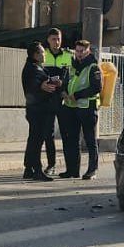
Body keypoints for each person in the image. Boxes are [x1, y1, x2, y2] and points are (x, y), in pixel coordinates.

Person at [61, 39, 102, 180]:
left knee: (90, 140)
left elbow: (96, 88)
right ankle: (72, 170)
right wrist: (64, 91)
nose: (79, 54)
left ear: (88, 51)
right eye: (77, 51)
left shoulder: (93, 67)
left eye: (82, 51)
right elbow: (67, 81)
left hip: (87, 108)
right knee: (73, 140)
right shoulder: (73, 65)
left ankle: (92, 170)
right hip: (72, 107)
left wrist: (77, 95)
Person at [21, 41, 58, 181]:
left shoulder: (35, 67)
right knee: (37, 141)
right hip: (39, 111)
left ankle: (29, 168)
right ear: (36, 54)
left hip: (36, 110)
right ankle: (37, 169)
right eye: (42, 52)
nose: (44, 54)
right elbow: (34, 90)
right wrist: (45, 86)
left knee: (33, 139)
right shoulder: (33, 69)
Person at [41, 28, 74, 177]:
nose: (57, 42)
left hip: (63, 99)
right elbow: (37, 75)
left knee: (66, 134)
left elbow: (73, 76)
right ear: (48, 40)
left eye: (59, 39)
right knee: (48, 134)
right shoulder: (43, 54)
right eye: (54, 39)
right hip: (47, 99)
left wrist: (64, 83)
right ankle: (51, 164)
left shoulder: (68, 55)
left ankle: (70, 167)